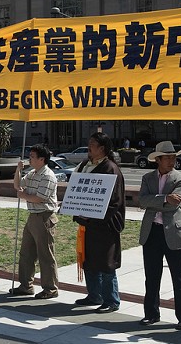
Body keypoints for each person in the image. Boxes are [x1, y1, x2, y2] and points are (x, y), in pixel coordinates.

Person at [138, 140, 181, 331]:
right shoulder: (147, 178)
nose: (171, 161)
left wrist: (156, 201)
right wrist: (164, 198)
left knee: (179, 276)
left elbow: (174, 205)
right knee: (151, 276)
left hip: (174, 232)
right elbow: (142, 201)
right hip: (151, 231)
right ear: (158, 160)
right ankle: (151, 313)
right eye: (167, 158)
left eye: (173, 158)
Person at [72, 132, 126, 313]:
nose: (89, 147)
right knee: (89, 260)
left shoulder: (110, 168)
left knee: (106, 263)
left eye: (92, 144)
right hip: (87, 223)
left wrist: (93, 215)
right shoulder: (84, 165)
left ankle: (111, 300)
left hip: (105, 225)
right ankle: (94, 295)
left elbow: (114, 201)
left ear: (102, 148)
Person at [9, 144, 59, 299]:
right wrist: (18, 170)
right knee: (26, 253)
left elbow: (40, 198)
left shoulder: (48, 176)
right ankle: (26, 285)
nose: (29, 159)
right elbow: (17, 185)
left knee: (45, 255)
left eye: (32, 156)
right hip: (33, 216)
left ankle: (50, 288)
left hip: (44, 217)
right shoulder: (32, 173)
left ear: (41, 159)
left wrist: (23, 196)